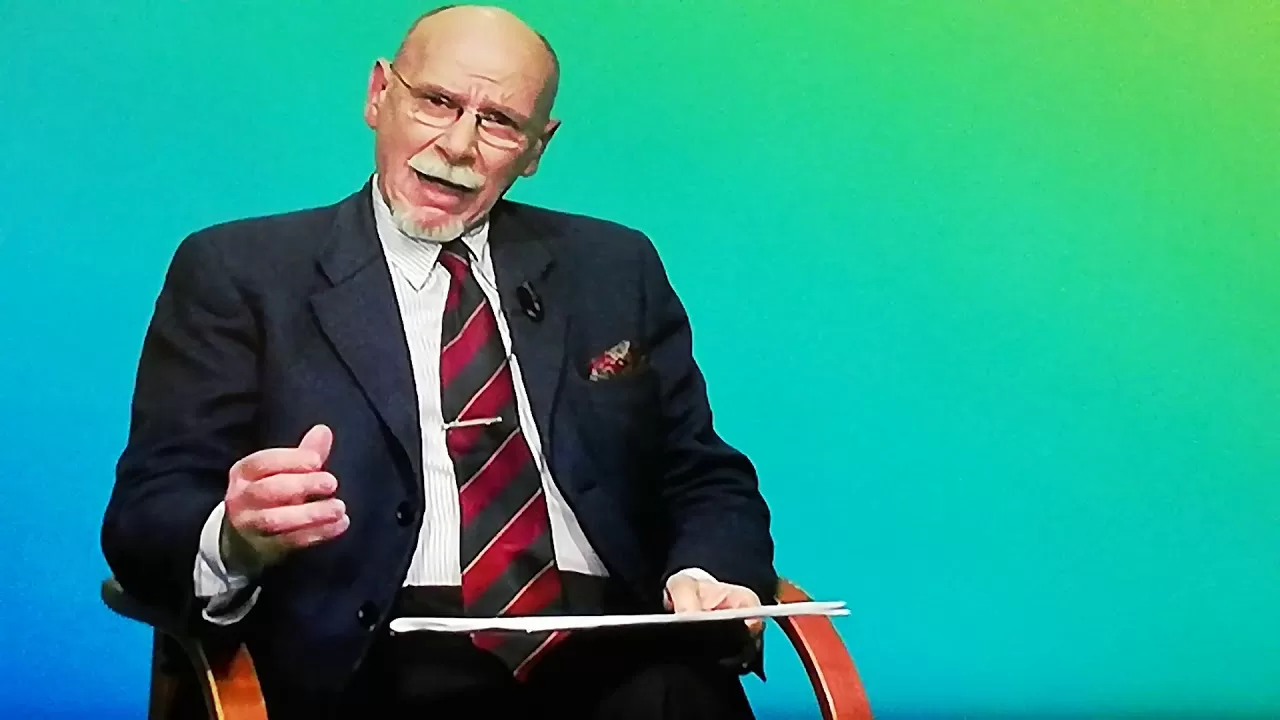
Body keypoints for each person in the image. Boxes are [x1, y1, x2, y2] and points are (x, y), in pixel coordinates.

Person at [101, 5, 775, 719]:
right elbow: (150, 510)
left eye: (499, 122)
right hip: (377, 654)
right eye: (436, 102)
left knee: (676, 693)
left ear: (537, 148)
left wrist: (711, 572)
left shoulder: (614, 266)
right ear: (378, 95)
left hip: (610, 647)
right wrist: (234, 536)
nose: (457, 145)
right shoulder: (240, 272)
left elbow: (701, 473)